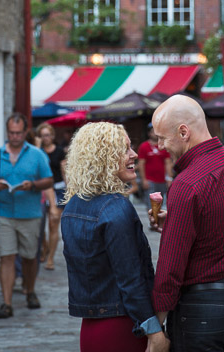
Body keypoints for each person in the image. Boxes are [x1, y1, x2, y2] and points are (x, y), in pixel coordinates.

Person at [150, 95, 224, 351]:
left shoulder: (186, 182)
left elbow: (171, 264)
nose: (159, 145)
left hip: (201, 307)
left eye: (162, 137)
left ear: (183, 132)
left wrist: (156, 327)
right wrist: (178, 219)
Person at [61, 122, 168, 352]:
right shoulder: (117, 208)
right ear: (103, 157)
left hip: (90, 329)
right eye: (124, 149)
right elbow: (131, 280)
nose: (134, 155)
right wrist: (154, 331)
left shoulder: (72, 206)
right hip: (123, 328)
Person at [0, 113, 54, 319]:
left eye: (18, 133)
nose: (14, 137)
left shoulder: (37, 155)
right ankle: (6, 303)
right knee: (6, 257)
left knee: (30, 257)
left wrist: (34, 185)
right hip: (4, 214)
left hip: (30, 214)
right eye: (11, 133)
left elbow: (48, 180)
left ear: (25, 132)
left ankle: (30, 291)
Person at [36, 122, 65, 270]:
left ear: (52, 136)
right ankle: (44, 247)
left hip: (58, 189)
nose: (45, 138)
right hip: (41, 191)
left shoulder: (59, 151)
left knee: (53, 224)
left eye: (47, 135)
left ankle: (51, 258)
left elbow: (64, 171)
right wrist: (37, 145)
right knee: (40, 225)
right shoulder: (37, 152)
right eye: (42, 135)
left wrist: (70, 191)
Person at [137, 125, 172, 210]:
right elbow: (141, 164)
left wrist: (169, 178)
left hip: (162, 181)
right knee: (151, 206)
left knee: (161, 206)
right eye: (153, 131)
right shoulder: (144, 146)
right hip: (150, 181)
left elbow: (168, 163)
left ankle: (160, 222)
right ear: (149, 133)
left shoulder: (164, 146)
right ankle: (153, 222)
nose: (155, 134)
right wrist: (144, 180)